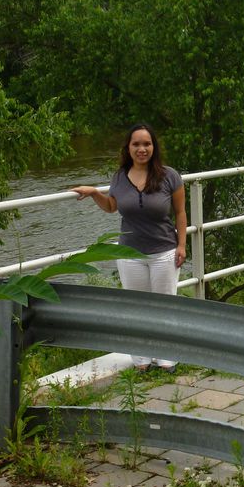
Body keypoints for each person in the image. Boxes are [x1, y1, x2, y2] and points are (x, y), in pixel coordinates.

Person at [72, 124, 187, 371]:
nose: (142, 149)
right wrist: (94, 193)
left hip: (163, 252)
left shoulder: (170, 176)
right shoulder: (119, 177)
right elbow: (112, 206)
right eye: (136, 144)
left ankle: (167, 358)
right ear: (128, 148)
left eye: (147, 144)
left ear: (154, 147)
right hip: (129, 253)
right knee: (137, 308)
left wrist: (182, 245)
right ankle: (142, 360)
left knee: (164, 306)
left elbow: (180, 213)